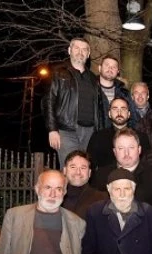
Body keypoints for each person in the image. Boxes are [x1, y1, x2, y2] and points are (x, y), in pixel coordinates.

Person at [43, 38, 99, 166]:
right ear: (69, 50)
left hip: (90, 132)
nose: (80, 52)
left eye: (84, 49)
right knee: (71, 168)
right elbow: (48, 101)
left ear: (88, 54)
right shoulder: (58, 72)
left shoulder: (93, 78)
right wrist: (52, 129)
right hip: (66, 130)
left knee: (84, 169)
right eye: (76, 48)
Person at [92, 128, 152, 207]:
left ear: (139, 150)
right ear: (114, 152)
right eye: (121, 148)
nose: (126, 153)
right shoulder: (101, 176)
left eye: (131, 147)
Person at [86, 97, 132, 172]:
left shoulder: (141, 137)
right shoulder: (98, 137)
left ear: (129, 114)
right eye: (115, 109)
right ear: (109, 114)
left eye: (123, 109)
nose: (119, 112)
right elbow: (90, 164)